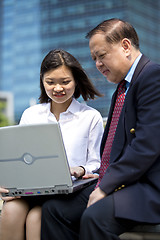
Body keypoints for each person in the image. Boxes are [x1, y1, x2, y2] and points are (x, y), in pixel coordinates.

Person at [41, 18, 160, 240]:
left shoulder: (152, 77)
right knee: (54, 210)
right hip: (120, 182)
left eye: (101, 55)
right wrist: (94, 176)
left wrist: (105, 187)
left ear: (125, 46)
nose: (97, 63)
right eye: (94, 58)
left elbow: (146, 146)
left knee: (94, 217)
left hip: (148, 188)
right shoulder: (123, 88)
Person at [0, 49, 104, 240]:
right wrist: (7, 183)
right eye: (50, 82)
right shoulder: (30, 114)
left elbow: (96, 163)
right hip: (31, 189)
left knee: (35, 218)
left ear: (76, 81)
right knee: (11, 211)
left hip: (67, 194)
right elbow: (18, 159)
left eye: (65, 82)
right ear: (42, 81)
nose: (58, 88)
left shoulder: (90, 117)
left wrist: (80, 169)